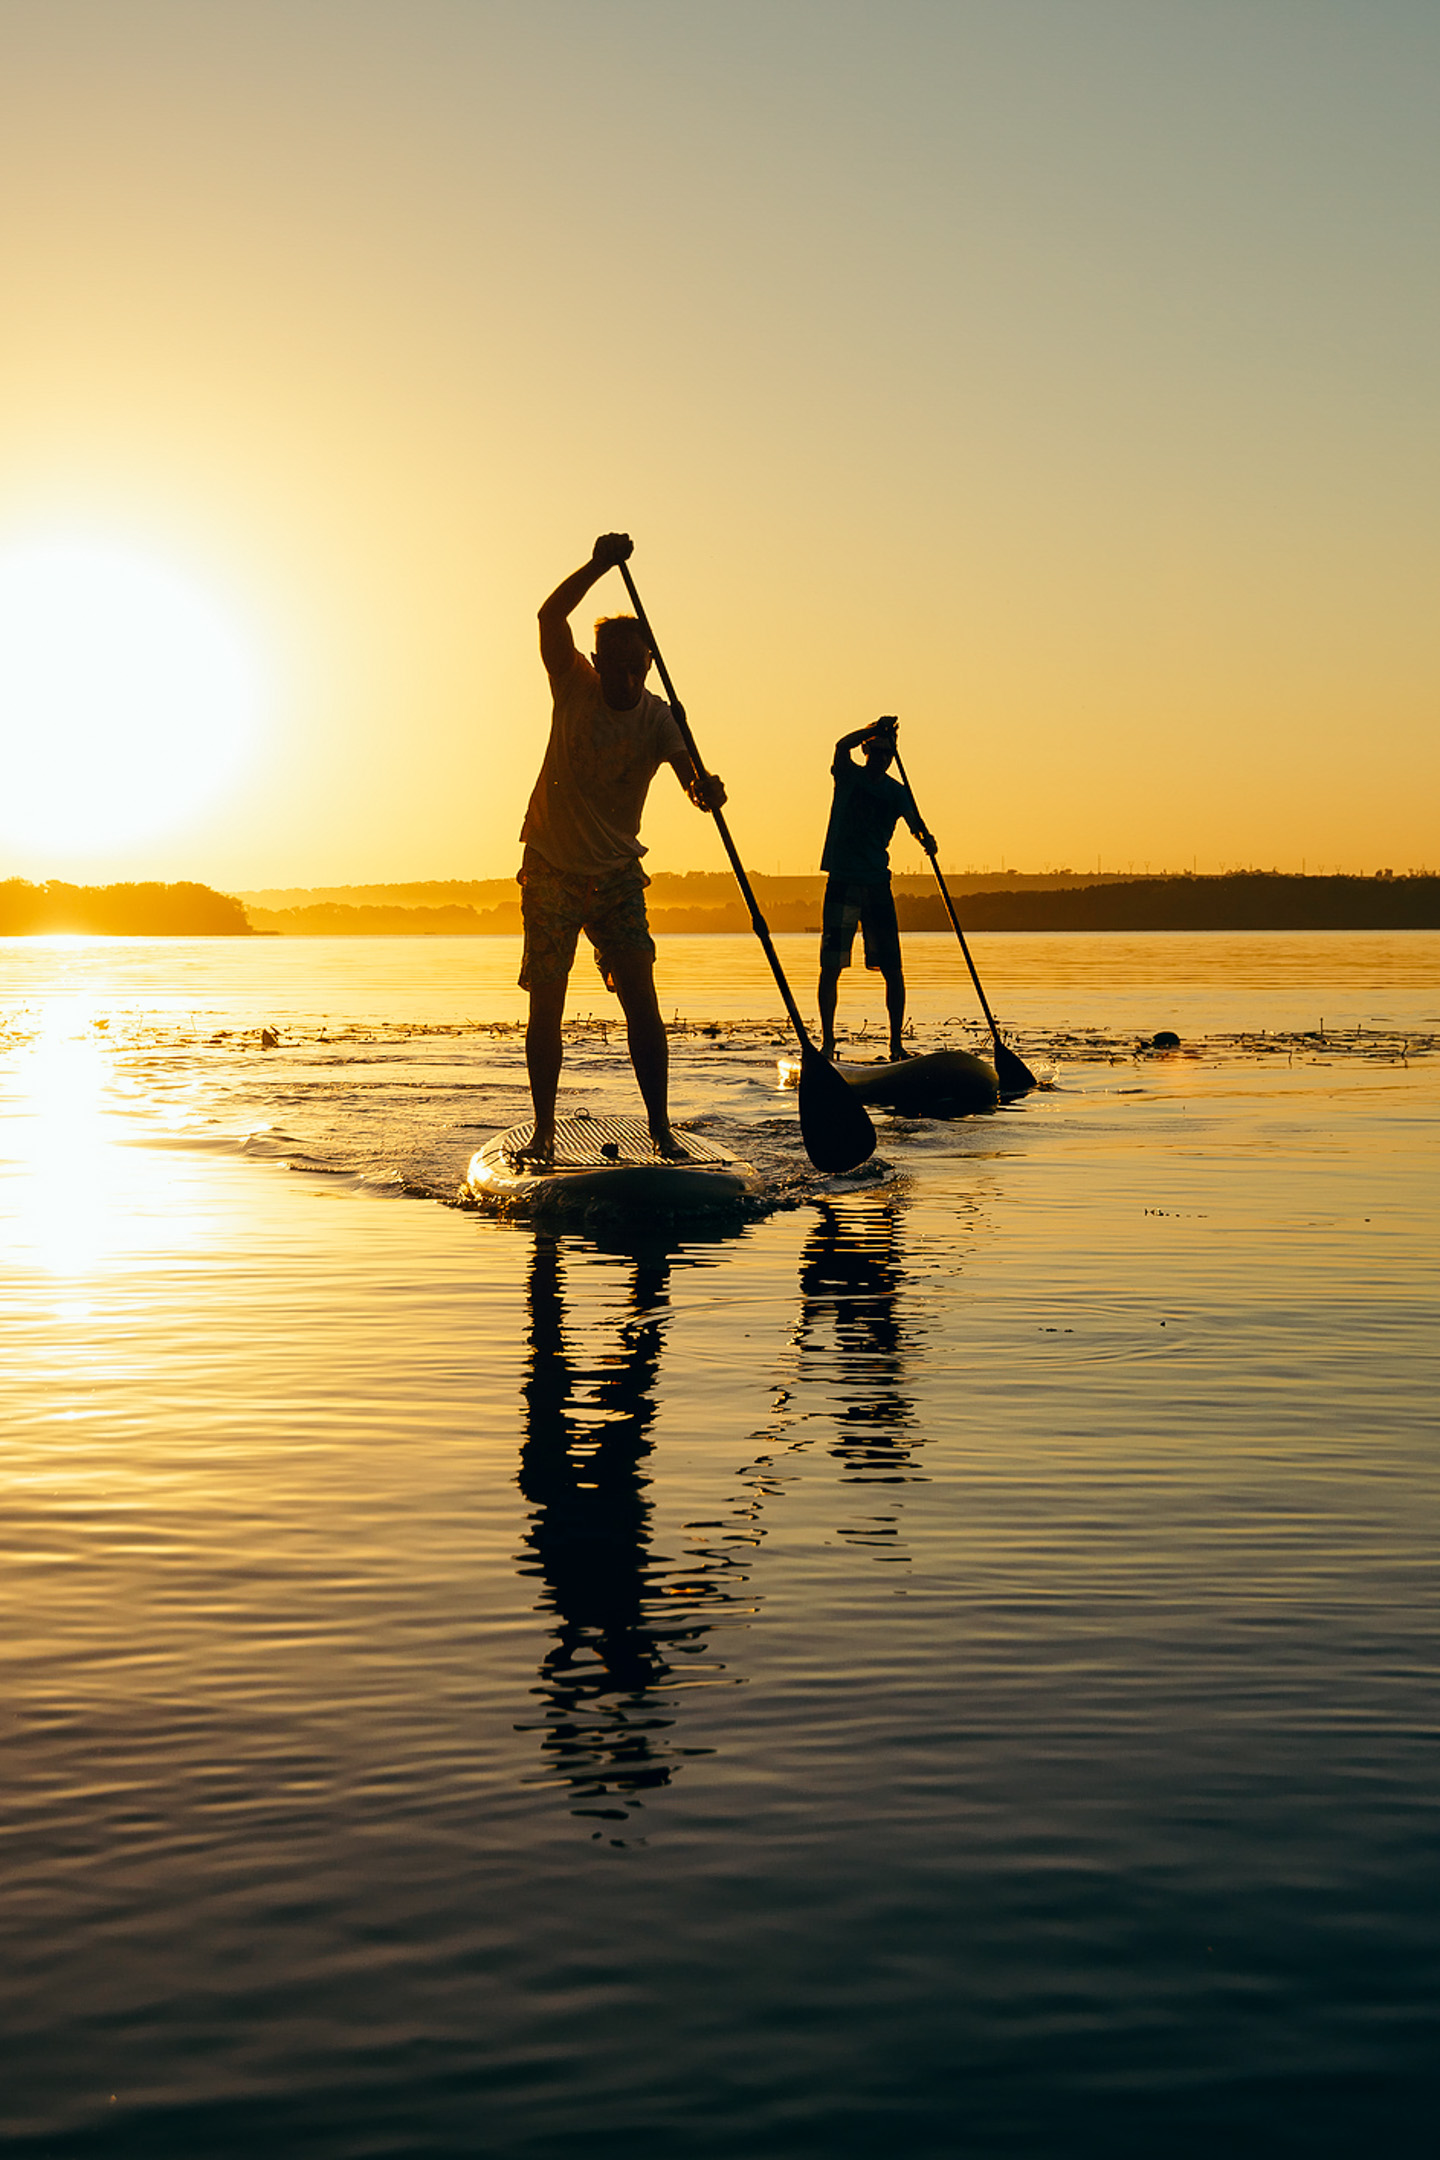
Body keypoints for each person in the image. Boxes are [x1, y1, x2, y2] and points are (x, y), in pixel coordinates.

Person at [516, 532, 724, 1162]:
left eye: (639, 667)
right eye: (618, 665)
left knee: (642, 1000)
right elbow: (550, 617)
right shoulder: (573, 685)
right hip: (550, 866)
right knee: (547, 1005)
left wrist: (705, 790)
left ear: (650, 667)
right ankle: (546, 1135)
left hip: (615, 878)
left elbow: (690, 777)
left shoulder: (662, 718)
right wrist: (598, 564)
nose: (628, 678)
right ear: (598, 662)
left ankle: (660, 1131)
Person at [816, 715, 932, 1063]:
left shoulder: (897, 792)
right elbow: (840, 745)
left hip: (877, 885)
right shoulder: (848, 776)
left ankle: (896, 1044)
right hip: (842, 880)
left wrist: (926, 837)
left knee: (893, 967)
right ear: (867, 751)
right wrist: (872, 731)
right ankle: (828, 1042)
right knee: (831, 966)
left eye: (887, 754)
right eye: (876, 752)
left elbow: (915, 823)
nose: (881, 759)